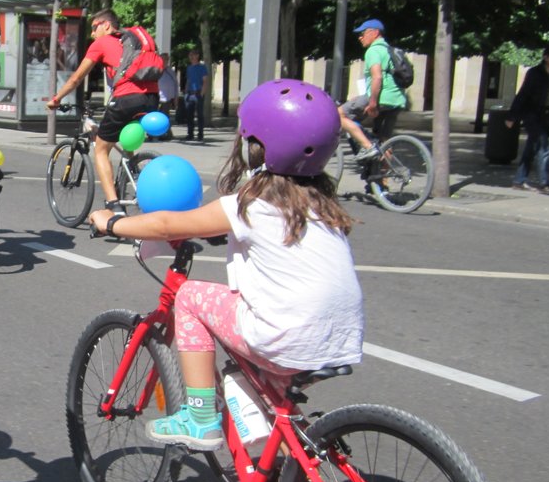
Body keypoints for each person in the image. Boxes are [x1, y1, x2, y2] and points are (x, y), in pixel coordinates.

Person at [88, 79, 363, 450]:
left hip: (284, 333)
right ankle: (290, 475)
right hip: (339, 337)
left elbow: (167, 224)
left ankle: (200, 419)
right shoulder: (322, 205)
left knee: (189, 297)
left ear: (257, 146)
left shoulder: (252, 204)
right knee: (274, 402)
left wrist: (113, 223)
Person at [47, 10, 162, 215]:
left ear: (106, 25)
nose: (92, 34)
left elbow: (76, 78)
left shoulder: (102, 43)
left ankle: (113, 205)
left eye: (94, 27)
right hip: (152, 99)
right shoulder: (132, 41)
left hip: (127, 98)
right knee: (127, 141)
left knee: (101, 148)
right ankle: (131, 175)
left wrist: (56, 99)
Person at [337, 18, 407, 161]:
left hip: (381, 97)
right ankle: (383, 179)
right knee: (385, 141)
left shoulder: (374, 50)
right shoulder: (390, 50)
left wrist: (373, 103)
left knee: (339, 114)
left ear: (375, 33)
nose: (360, 37)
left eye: (363, 33)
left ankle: (368, 147)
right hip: (397, 100)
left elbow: (377, 78)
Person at [506, 43, 549, 195]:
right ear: (546, 57)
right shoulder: (535, 73)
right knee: (544, 147)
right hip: (533, 115)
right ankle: (544, 183)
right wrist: (512, 115)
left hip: (548, 117)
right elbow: (523, 94)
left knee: (531, 149)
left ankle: (518, 181)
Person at [183, 49, 211, 141]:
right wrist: (186, 92)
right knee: (189, 115)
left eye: (193, 55)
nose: (191, 57)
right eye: (190, 55)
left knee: (200, 115)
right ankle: (190, 134)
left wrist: (202, 93)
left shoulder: (202, 67)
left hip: (198, 93)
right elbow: (188, 80)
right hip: (190, 93)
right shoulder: (189, 68)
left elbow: (205, 81)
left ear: (197, 56)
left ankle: (200, 134)